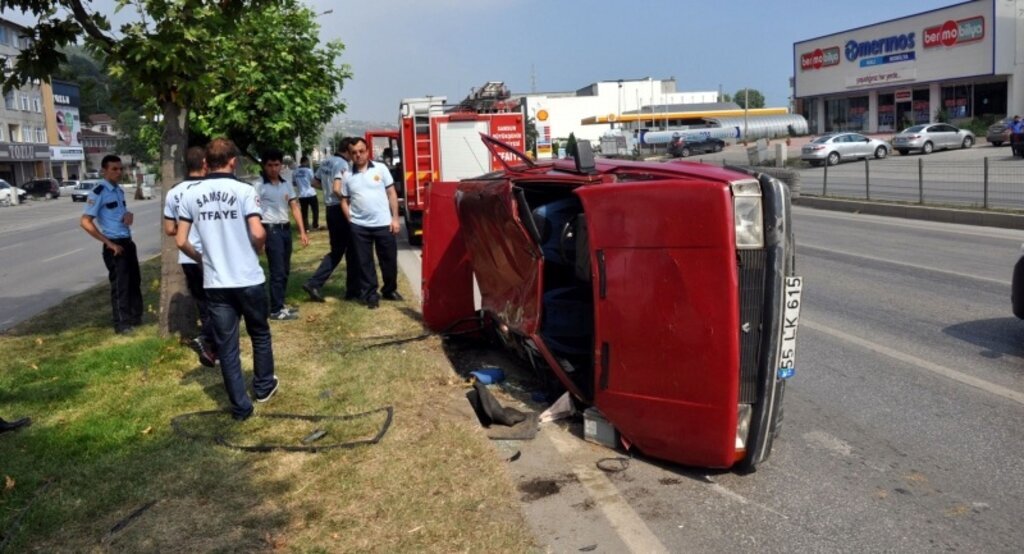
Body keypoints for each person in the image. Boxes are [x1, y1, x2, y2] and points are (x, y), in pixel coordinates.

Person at [176, 138, 279, 421]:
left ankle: (240, 406)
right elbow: (258, 233)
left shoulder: (190, 195)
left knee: (227, 346)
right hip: (247, 277)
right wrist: (256, 250)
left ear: (207, 163)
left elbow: (181, 239)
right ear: (233, 161)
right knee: (259, 333)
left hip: (216, 282)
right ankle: (263, 385)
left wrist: (202, 258)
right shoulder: (244, 190)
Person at [163, 145, 216, 367]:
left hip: (187, 256)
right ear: (205, 164)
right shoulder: (210, 189)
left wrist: (186, 230)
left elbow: (169, 229)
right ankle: (207, 339)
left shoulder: (174, 192)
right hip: (209, 255)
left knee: (202, 303)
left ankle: (210, 347)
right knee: (219, 302)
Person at [337, 137, 403, 309]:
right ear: (350, 155)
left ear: (367, 152)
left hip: (383, 224)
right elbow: (344, 200)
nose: (358, 155)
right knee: (365, 263)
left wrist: (395, 218)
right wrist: (350, 219)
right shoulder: (347, 175)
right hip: (360, 227)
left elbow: (392, 194)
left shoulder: (381, 169)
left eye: (361, 151)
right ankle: (370, 294)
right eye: (354, 153)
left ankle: (389, 290)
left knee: (389, 260)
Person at [80, 154, 143, 334]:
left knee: (134, 281)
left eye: (120, 168)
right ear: (104, 171)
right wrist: (108, 243)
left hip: (127, 240)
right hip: (113, 244)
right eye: (114, 169)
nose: (119, 172)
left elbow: (117, 214)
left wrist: (128, 215)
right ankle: (122, 324)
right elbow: (85, 222)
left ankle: (135, 316)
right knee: (120, 286)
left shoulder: (118, 190)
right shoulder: (99, 192)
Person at [302, 138, 358, 302]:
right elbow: (337, 189)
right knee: (351, 250)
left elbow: (314, 182)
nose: (354, 155)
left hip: (330, 209)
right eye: (352, 152)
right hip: (340, 208)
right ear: (347, 150)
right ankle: (351, 290)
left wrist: (327, 190)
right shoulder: (342, 164)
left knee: (337, 250)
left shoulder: (326, 162)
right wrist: (346, 198)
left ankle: (315, 283)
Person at [257, 148, 309, 320]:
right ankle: (275, 309)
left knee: (285, 270)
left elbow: (294, 207)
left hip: (285, 230)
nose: (273, 169)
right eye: (270, 165)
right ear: (264, 166)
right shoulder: (258, 186)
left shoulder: (286, 184)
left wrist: (302, 231)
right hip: (270, 230)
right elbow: (254, 213)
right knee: (277, 271)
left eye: (277, 165)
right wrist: (260, 239)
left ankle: (280, 304)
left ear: (281, 166)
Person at [293, 156, 318, 231]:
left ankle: (306, 227)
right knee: (315, 210)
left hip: (302, 195)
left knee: (304, 212)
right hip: (311, 193)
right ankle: (315, 225)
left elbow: (294, 183)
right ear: (306, 162)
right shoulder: (309, 171)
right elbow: (313, 181)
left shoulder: (295, 172)